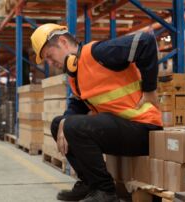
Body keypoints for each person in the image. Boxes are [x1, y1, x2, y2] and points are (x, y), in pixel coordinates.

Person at [30, 24, 163, 202]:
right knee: (58, 124)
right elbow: (77, 104)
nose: (50, 63)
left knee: (71, 125)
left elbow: (145, 42)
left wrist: (149, 90)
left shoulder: (98, 53)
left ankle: (106, 191)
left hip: (143, 129)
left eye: (49, 56)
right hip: (120, 131)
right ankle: (89, 184)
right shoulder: (74, 75)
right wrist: (64, 122)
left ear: (62, 42)